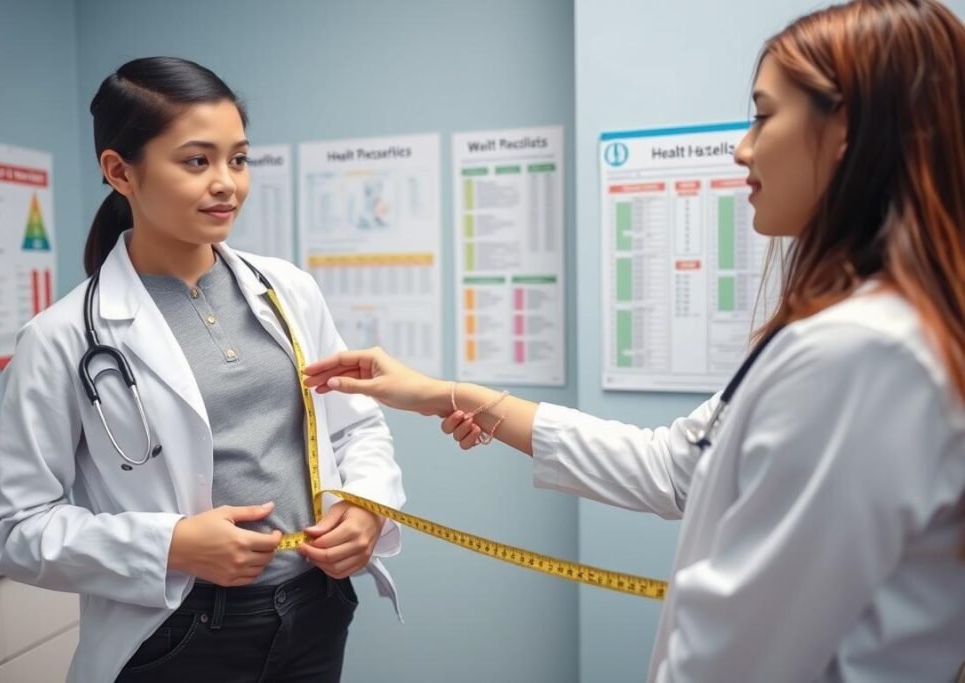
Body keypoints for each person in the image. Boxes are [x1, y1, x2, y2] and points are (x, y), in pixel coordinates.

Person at [302, 1, 965, 680]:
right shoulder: (870, 332)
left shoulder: (860, 355)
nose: (743, 147)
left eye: (764, 115)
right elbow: (675, 465)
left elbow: (736, 660)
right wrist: (443, 392)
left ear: (847, 130)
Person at [0, 57, 405, 683]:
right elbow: (15, 528)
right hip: (179, 634)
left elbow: (353, 428)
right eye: (196, 161)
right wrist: (171, 545)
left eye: (238, 159)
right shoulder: (61, 338)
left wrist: (367, 508)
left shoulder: (287, 290)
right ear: (120, 171)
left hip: (315, 610)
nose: (226, 183)